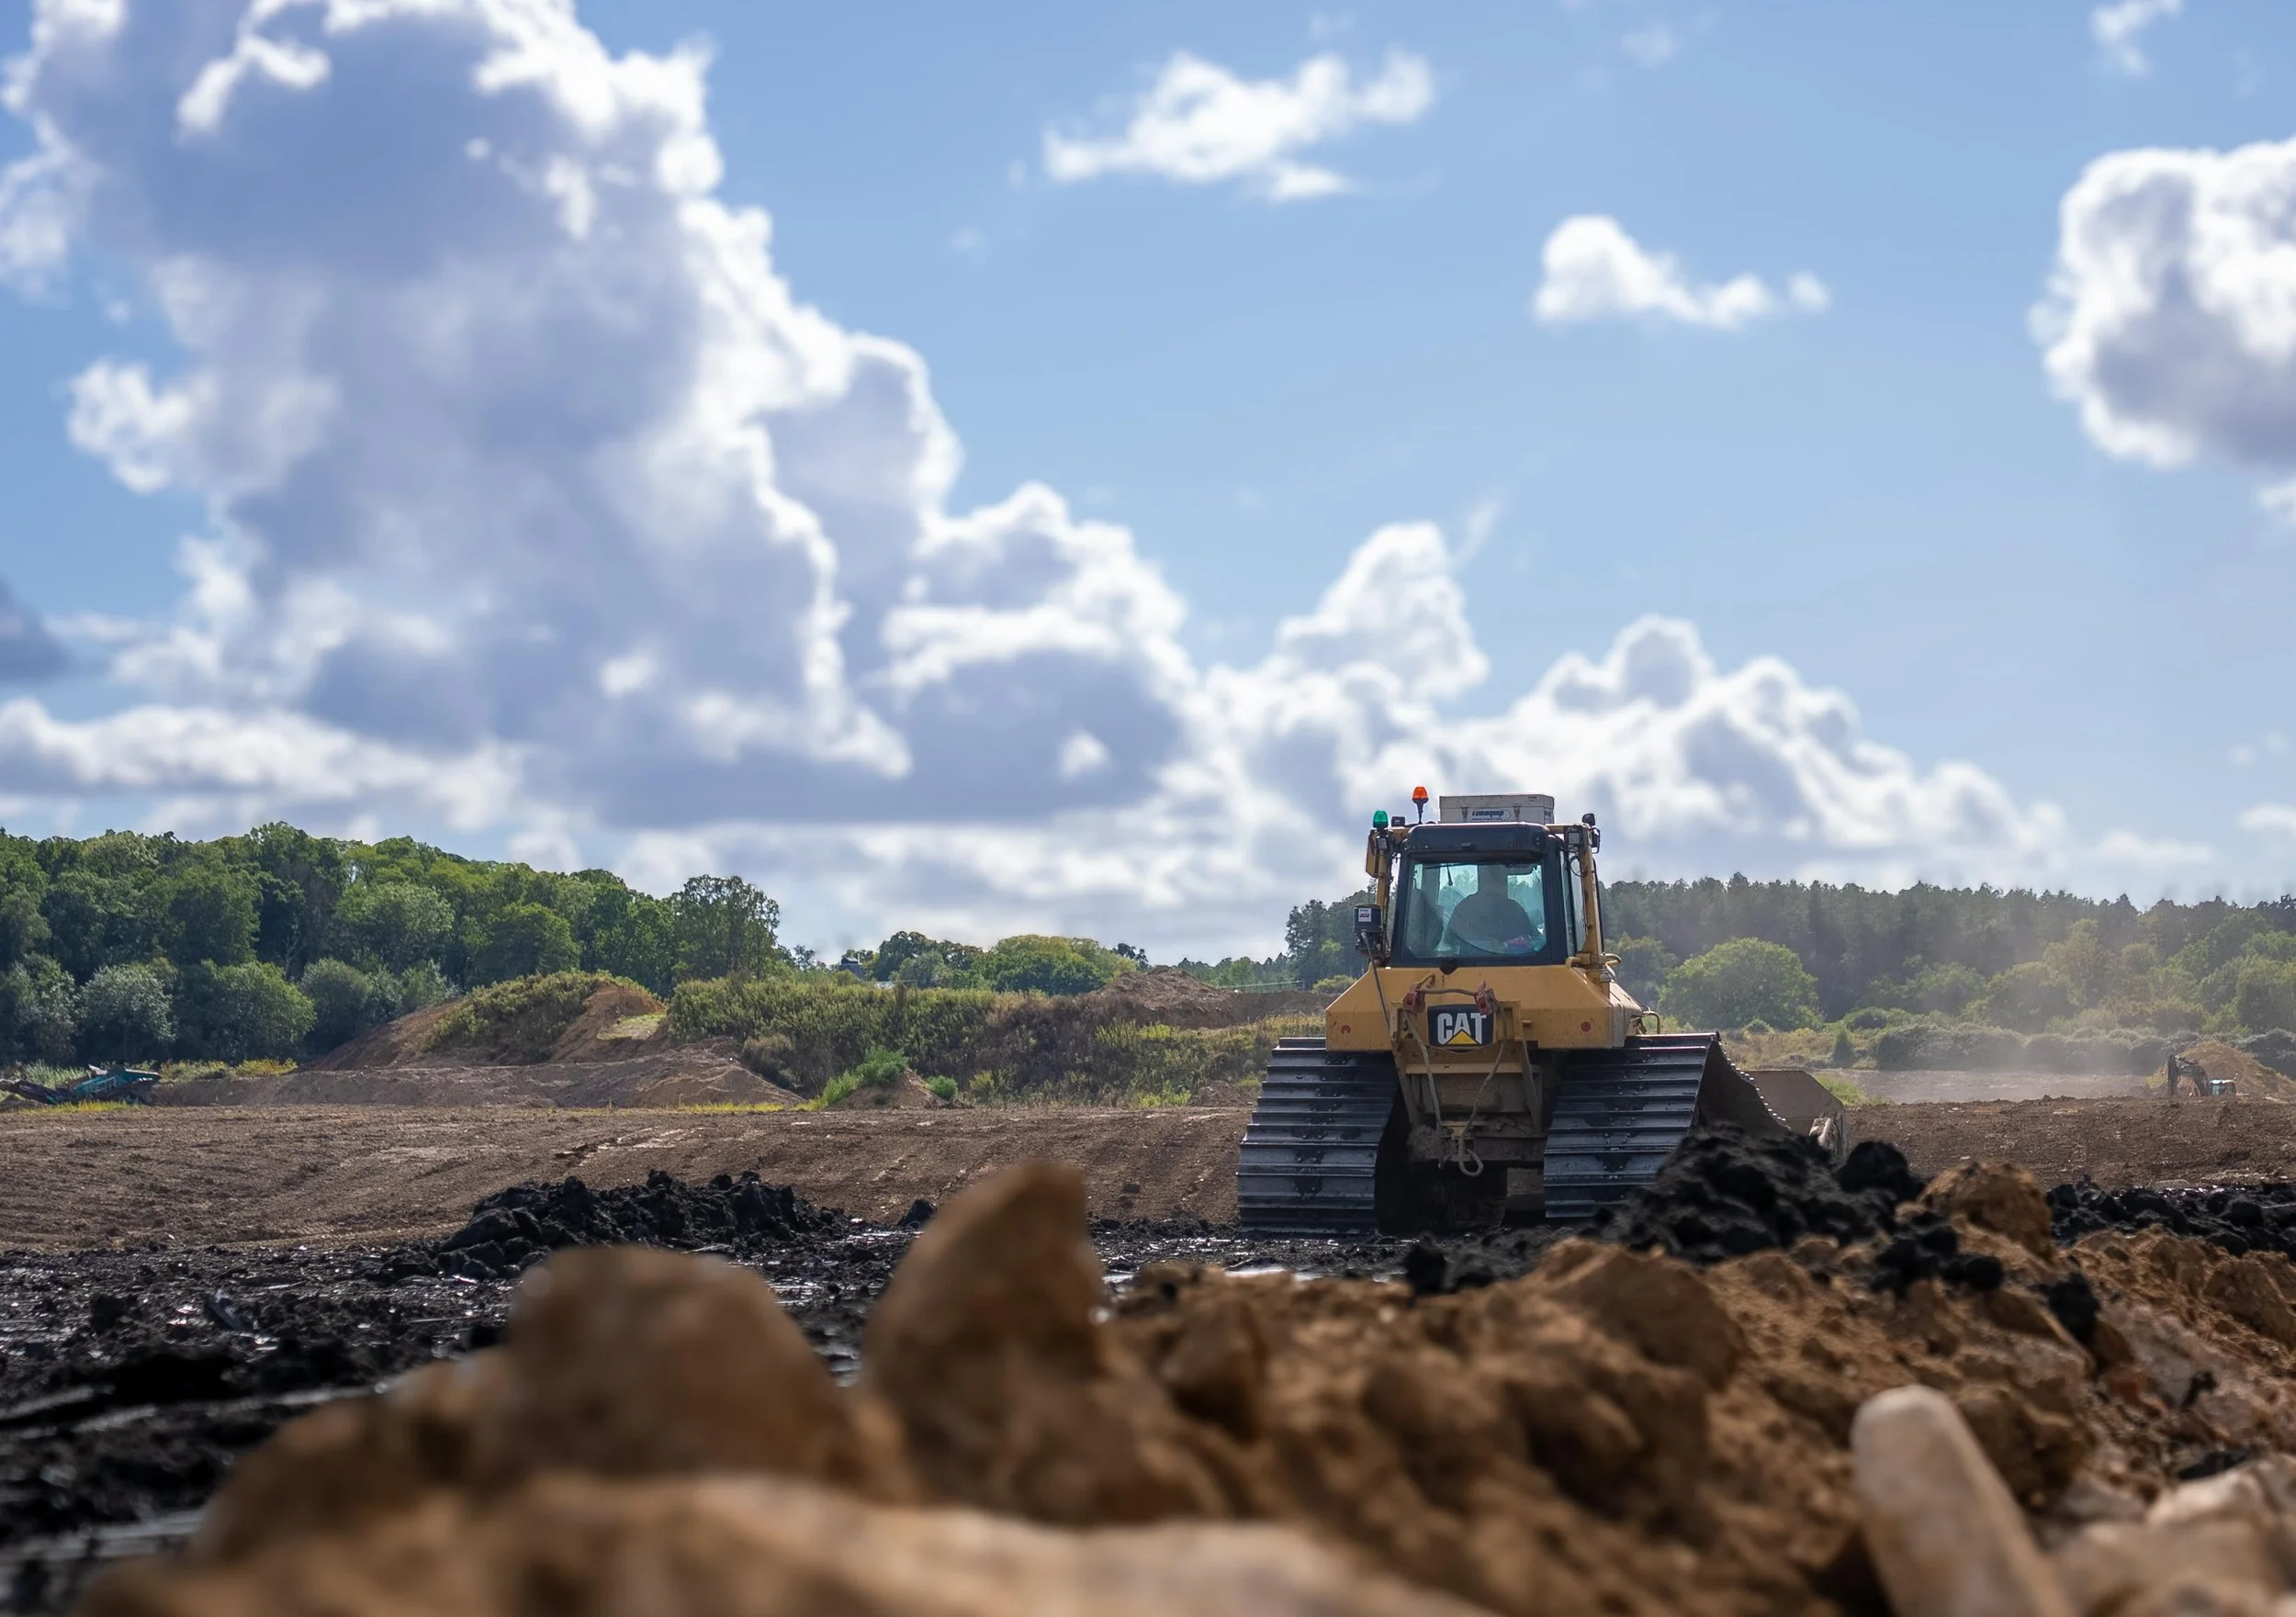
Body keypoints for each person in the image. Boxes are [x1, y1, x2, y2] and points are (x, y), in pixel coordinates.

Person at [1446, 864, 1537, 954]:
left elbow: (1449, 940)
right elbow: (1532, 942)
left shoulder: (1464, 907)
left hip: (1463, 966)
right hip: (1515, 966)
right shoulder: (1515, 909)